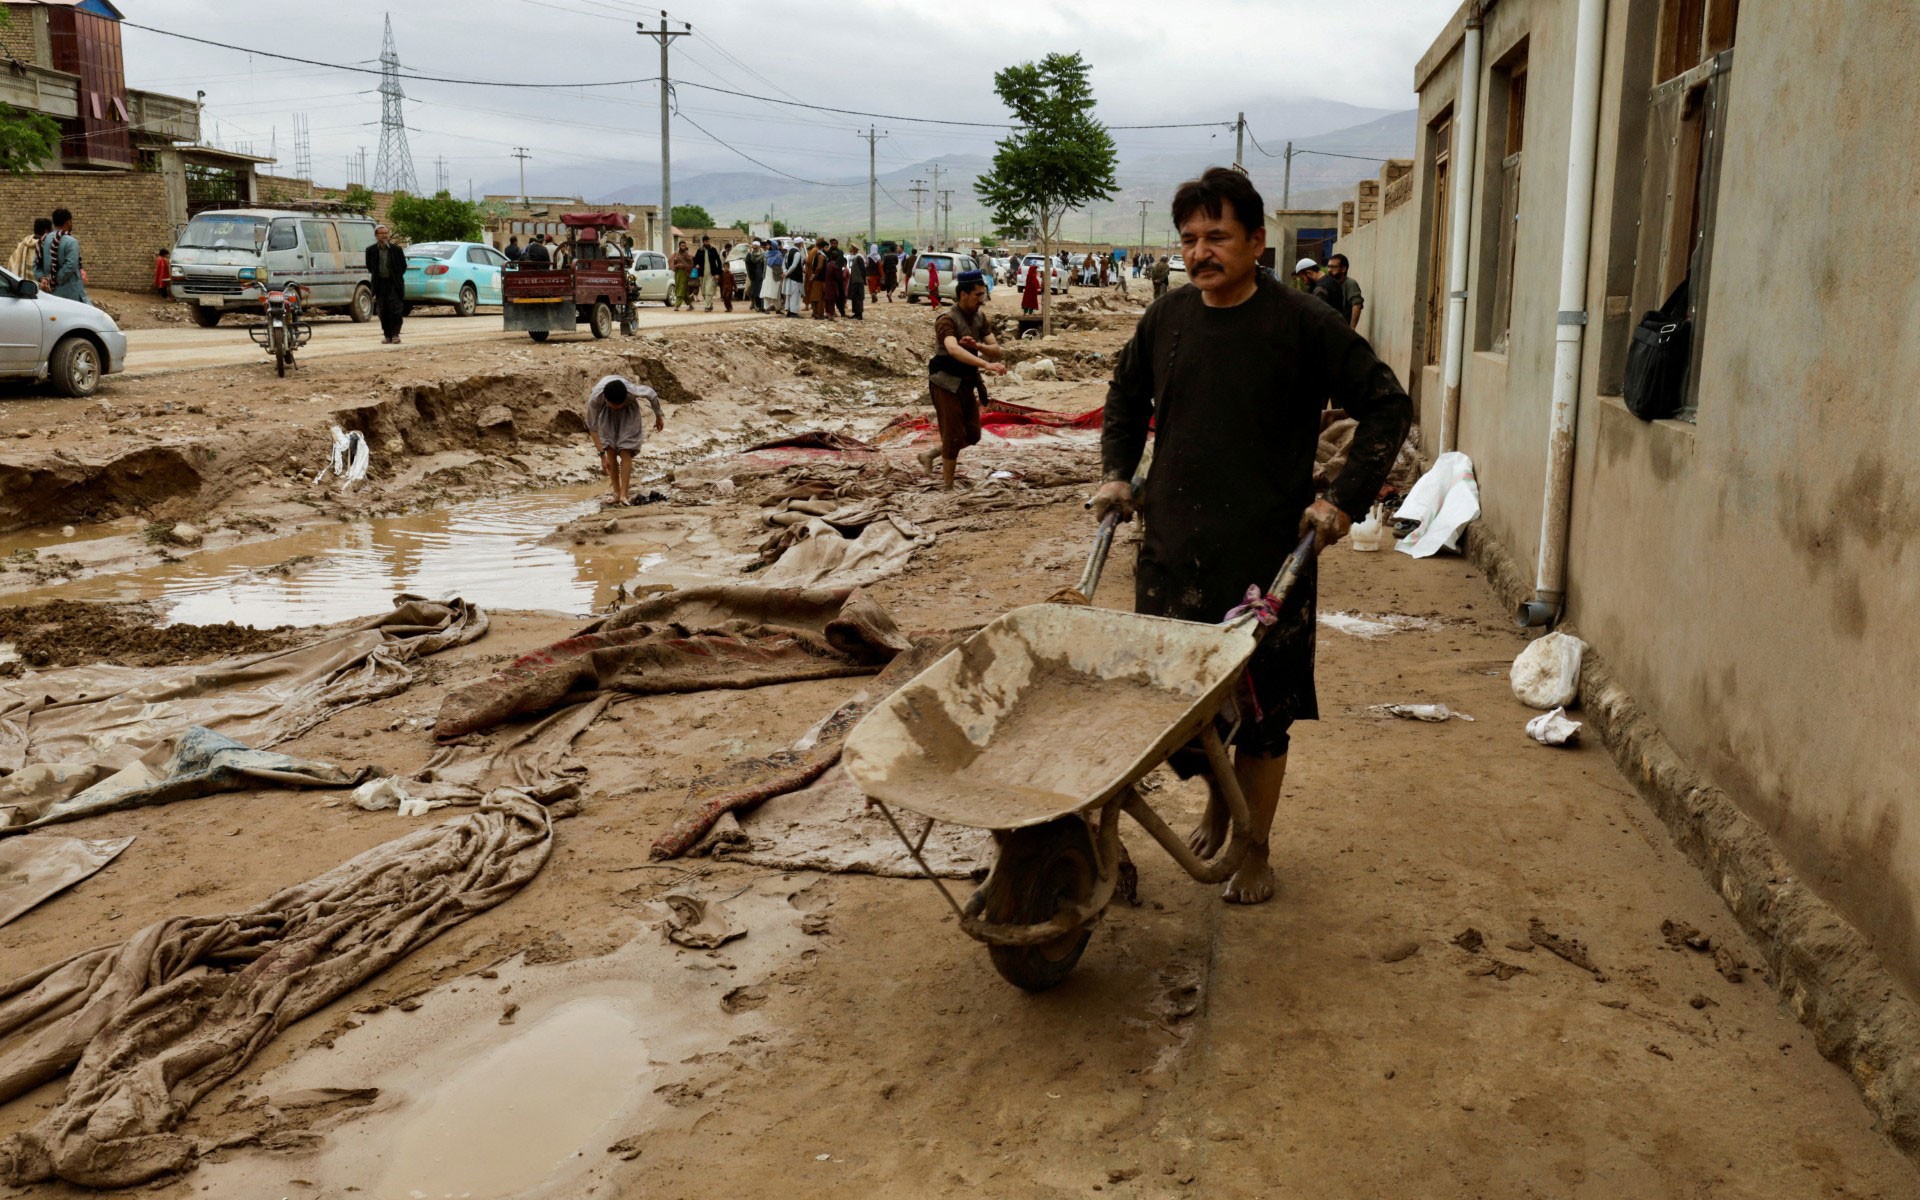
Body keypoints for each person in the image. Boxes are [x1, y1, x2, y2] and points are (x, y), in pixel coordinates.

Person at [1092, 166, 1411, 905]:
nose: (1201, 252)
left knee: (1264, 715)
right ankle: (1216, 796)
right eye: (1190, 239)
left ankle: (1257, 846)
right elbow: (1124, 394)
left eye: (1218, 237)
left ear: (1257, 242)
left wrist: (1342, 501)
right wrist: (1117, 472)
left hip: (1269, 560)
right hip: (1174, 552)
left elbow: (1386, 406)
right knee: (1182, 708)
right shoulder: (1167, 318)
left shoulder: (1302, 323)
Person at [918, 270, 1006, 490]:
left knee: (973, 434)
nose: (981, 299)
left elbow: (996, 350)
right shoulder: (946, 319)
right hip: (945, 381)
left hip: (966, 380)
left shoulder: (980, 317)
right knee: (953, 434)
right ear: (964, 294)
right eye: (977, 295)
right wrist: (985, 364)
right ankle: (947, 487)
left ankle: (930, 454)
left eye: (982, 294)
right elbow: (952, 349)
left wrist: (979, 347)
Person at [585, 375, 665, 507]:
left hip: (629, 412)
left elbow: (652, 395)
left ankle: (624, 494)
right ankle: (616, 493)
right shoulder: (596, 399)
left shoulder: (632, 391)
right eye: (614, 404)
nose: (617, 407)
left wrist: (658, 416)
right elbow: (592, 428)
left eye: (619, 404)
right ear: (606, 400)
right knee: (610, 449)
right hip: (607, 414)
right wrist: (602, 456)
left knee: (625, 450)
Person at [365, 223, 408, 344]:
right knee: (383, 311)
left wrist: (396, 277)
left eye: (386, 233)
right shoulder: (371, 250)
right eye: (381, 233)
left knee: (396, 310)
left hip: (393, 283)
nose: (384, 235)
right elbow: (370, 267)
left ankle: (395, 334)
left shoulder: (396, 250)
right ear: (376, 235)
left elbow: (403, 266)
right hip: (380, 284)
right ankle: (387, 335)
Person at [39, 208, 86, 303]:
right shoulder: (71, 242)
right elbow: (70, 265)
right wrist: (55, 280)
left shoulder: (44, 239)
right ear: (68, 222)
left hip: (49, 290)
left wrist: (46, 279)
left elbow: (38, 262)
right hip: (69, 291)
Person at [1327, 253, 1365, 330]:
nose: (1329, 270)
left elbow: (1357, 304)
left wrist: (1352, 327)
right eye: (1328, 267)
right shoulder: (1330, 284)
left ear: (1343, 269)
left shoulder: (1350, 283)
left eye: (1333, 267)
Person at [805, 238, 828, 320]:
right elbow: (819, 267)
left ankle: (815, 313)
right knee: (820, 298)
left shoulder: (814, 252)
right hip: (820, 279)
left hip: (815, 278)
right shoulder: (821, 255)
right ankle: (820, 314)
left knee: (814, 296)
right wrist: (815, 274)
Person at [847, 245, 868, 320]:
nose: (851, 250)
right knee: (854, 297)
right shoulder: (855, 258)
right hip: (855, 281)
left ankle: (859, 314)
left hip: (858, 281)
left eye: (852, 249)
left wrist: (863, 280)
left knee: (858, 297)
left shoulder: (859, 258)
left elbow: (863, 270)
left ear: (855, 249)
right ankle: (856, 313)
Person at [746, 240, 766, 313]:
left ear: (759, 247)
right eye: (754, 247)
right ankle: (758, 306)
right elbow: (747, 264)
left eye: (756, 247)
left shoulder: (764, 254)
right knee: (756, 291)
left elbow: (765, 264)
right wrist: (750, 275)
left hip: (762, 275)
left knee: (762, 291)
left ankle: (762, 306)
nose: (754, 248)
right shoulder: (750, 255)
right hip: (754, 276)